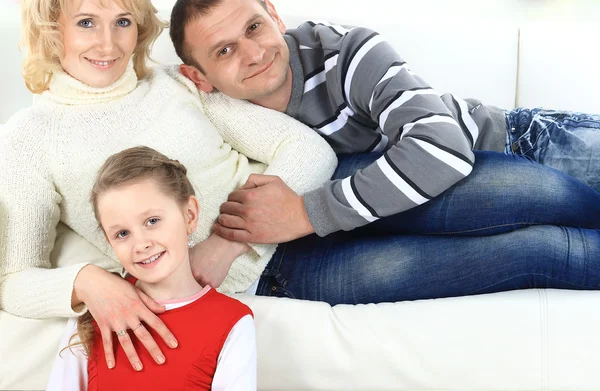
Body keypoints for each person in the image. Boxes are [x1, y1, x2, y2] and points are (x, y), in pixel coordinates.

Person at [165, 0, 600, 303]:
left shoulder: (344, 52)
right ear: (199, 76)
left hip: (517, 140)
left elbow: (441, 150)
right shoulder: (221, 117)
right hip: (428, 207)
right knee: (553, 252)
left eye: (254, 27)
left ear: (274, 15)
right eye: (225, 51)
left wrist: (304, 212)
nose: (254, 53)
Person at [1, 0, 336, 373]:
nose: (108, 45)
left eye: (122, 22)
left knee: (413, 201)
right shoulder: (28, 139)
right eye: (86, 23)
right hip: (270, 277)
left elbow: (308, 150)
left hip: (294, 223)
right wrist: (88, 282)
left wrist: (229, 242)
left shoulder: (174, 82)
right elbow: (13, 282)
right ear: (50, 29)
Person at [47, 146, 256, 391]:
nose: (141, 244)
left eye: (152, 221)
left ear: (189, 215)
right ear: (109, 240)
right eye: (122, 233)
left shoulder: (232, 321)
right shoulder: (97, 309)